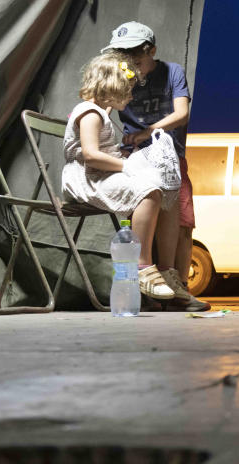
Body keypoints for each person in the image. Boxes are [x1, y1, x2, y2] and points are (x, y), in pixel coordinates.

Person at [103, 21, 209, 312]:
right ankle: (148, 286)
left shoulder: (171, 71)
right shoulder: (123, 75)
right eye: (123, 57)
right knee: (145, 212)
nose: (129, 63)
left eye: (135, 57)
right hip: (136, 157)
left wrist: (147, 131)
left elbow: (181, 113)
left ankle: (179, 289)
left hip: (170, 155)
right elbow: (101, 107)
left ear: (151, 51)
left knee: (183, 221)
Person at [61, 52, 177, 303]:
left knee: (158, 185)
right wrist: (126, 167)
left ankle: (148, 267)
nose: (131, 96)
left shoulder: (100, 113)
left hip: (100, 175)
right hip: (88, 180)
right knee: (148, 189)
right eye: (128, 90)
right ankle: (142, 266)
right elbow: (91, 155)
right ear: (112, 87)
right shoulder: (90, 113)